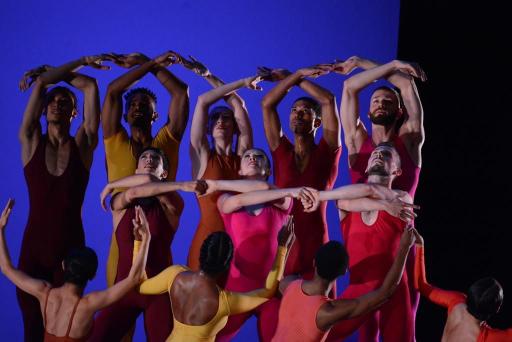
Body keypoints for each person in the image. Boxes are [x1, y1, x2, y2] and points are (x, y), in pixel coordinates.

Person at [335, 56, 426, 340]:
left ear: (399, 111)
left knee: (399, 332)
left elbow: (407, 84)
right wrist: (382, 65)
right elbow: (349, 87)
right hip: (362, 250)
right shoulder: (357, 143)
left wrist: (395, 66)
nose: (380, 104)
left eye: (388, 101)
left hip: (398, 251)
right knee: (365, 334)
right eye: (375, 101)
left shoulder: (409, 140)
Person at [17, 56, 106, 341]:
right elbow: (42, 83)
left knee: (66, 330)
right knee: (32, 329)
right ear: (43, 108)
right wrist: (47, 73)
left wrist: (67, 69)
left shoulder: (83, 144)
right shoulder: (31, 140)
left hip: (71, 253)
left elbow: (91, 86)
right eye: (53, 100)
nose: (57, 103)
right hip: (33, 250)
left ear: (74, 113)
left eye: (65, 101)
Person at [0, 199, 151, 342]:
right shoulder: (88, 304)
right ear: (92, 275)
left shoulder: (44, 293)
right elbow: (134, 278)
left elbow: (6, 268)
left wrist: (0, 229)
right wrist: (146, 238)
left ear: (64, 266)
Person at [92, 147, 198, 342]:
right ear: (135, 172)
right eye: (144, 157)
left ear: (164, 173)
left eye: (155, 158)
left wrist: (111, 185)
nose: (149, 159)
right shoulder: (120, 205)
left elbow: (149, 182)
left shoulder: (173, 205)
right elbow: (135, 191)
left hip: (158, 294)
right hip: (123, 291)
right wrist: (113, 186)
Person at [135, 216, 296, 342]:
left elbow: (140, 285)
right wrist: (282, 247)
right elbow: (269, 291)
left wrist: (139, 241)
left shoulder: (174, 275)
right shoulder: (225, 302)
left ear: (201, 254)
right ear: (226, 266)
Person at [323, 144, 417, 342]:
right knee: (318, 334)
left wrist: (384, 202)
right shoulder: (348, 200)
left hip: (395, 291)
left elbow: (369, 191)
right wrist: (382, 205)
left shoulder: (402, 198)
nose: (378, 155)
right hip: (360, 292)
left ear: (397, 171)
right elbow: (346, 199)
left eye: (385, 154)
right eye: (374, 153)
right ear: (365, 168)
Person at [260, 65, 341, 281]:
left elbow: (328, 101)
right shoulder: (281, 150)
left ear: (317, 122)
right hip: (284, 242)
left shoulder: (328, 150)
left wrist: (294, 77)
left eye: (305, 111)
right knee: (280, 311)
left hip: (316, 242)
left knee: (318, 310)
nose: (298, 114)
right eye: (294, 110)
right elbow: (267, 104)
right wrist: (294, 76)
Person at [272, 226, 416, 342]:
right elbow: (385, 293)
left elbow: (276, 281)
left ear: (314, 263)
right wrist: (404, 248)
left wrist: (283, 246)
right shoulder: (327, 312)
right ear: (343, 273)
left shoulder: (289, 285)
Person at [183, 55, 260, 270]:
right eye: (215, 118)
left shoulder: (243, 160)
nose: (220, 121)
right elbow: (203, 101)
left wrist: (210, 76)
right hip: (206, 241)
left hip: (239, 243)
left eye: (226, 118)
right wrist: (242, 82)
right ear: (208, 128)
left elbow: (239, 105)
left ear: (235, 127)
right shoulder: (201, 156)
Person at [413, 230, 512, 341]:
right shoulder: (488, 337)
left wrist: (419, 245)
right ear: (497, 309)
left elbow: (421, 286)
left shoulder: (457, 301)